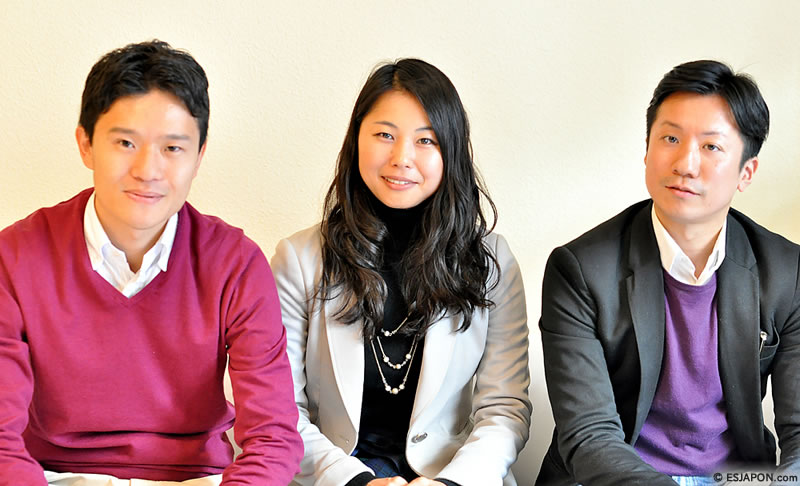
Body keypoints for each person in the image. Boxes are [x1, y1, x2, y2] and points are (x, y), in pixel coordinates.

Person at [0, 40, 303, 485]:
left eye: (173, 148)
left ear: (199, 156)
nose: (147, 170)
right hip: (53, 475)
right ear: (86, 144)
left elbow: (273, 437)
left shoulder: (236, 264)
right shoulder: (15, 256)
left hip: (195, 479)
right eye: (125, 142)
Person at [537, 60, 800, 486]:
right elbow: (590, 435)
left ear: (745, 172)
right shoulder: (580, 269)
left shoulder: (787, 271)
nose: (685, 164)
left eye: (711, 147)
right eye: (671, 138)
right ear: (647, 149)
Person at [270, 58, 531, 486]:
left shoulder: (492, 262)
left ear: (451, 151)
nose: (401, 158)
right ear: (356, 140)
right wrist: (356, 482)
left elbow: (504, 409)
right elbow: (280, 411)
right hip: (335, 476)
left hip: (452, 476)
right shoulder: (299, 259)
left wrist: (449, 483)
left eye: (425, 140)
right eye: (384, 135)